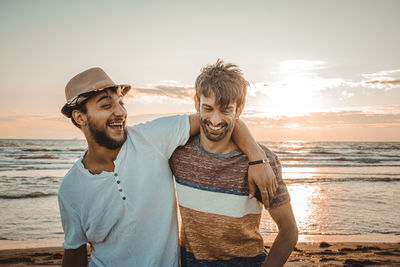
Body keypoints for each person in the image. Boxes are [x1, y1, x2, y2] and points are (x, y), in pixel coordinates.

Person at [58, 67, 277, 267]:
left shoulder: (153, 138)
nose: (121, 112)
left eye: (121, 102)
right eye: (107, 105)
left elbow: (215, 119)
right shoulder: (71, 189)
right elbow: (75, 252)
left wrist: (258, 159)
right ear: (80, 117)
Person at [169, 60, 298, 266]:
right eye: (208, 108)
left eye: (226, 110)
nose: (215, 120)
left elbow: (289, 230)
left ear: (240, 109)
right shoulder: (178, 153)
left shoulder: (263, 162)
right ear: (196, 103)